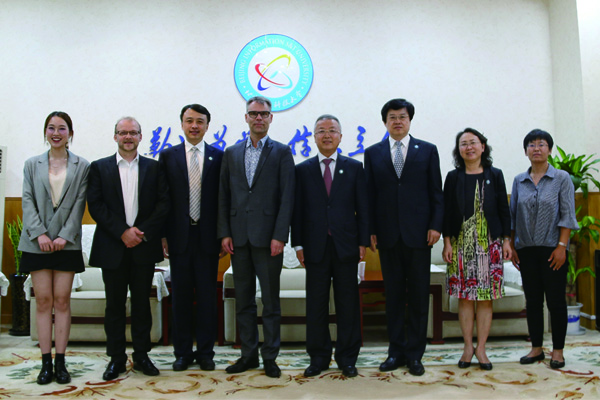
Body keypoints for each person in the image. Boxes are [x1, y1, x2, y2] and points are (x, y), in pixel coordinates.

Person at [364, 98, 443, 376]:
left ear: (410, 120)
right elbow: (369, 195)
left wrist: (435, 226)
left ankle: (415, 355)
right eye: (392, 117)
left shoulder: (428, 150)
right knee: (394, 296)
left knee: (419, 297)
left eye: (402, 116)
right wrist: (370, 229)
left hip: (420, 235)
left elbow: (436, 192)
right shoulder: (373, 153)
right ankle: (395, 351)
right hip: (387, 236)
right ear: (385, 122)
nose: (397, 121)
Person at [217, 96, 295, 378]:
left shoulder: (282, 152)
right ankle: (248, 355)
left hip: (269, 240)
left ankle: (270, 357)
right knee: (244, 301)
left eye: (263, 114)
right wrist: (225, 232)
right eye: (253, 114)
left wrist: (280, 235)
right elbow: (223, 195)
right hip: (238, 239)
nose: (258, 118)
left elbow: (287, 197)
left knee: (270, 302)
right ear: (246, 117)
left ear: (271, 117)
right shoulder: (231, 152)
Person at [87, 117, 169, 380]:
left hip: (143, 246)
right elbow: (96, 205)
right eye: (123, 132)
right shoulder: (99, 167)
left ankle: (142, 356)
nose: (128, 137)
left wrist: (140, 232)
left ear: (140, 137)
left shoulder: (154, 168)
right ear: (115, 137)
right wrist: (123, 231)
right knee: (114, 306)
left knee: (142, 305)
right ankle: (116, 358)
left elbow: (163, 204)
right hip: (112, 247)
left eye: (133, 132)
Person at [291, 115, 369, 378]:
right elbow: (297, 211)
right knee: (316, 304)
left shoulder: (354, 167)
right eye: (321, 131)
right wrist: (298, 244)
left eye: (332, 131)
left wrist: (362, 242)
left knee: (348, 305)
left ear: (340, 136)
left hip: (346, 246)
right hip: (314, 246)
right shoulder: (302, 170)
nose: (327, 135)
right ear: (314, 137)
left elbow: (363, 208)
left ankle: (347, 358)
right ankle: (318, 357)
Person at [19, 111, 90, 385]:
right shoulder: (31, 164)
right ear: (45, 132)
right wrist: (39, 234)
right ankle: (45, 363)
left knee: (62, 301)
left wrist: (64, 236)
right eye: (51, 128)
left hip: (65, 244)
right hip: (36, 243)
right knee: (43, 301)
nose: (56, 133)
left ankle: (61, 362)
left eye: (62, 128)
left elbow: (79, 203)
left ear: (70, 133)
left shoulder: (82, 165)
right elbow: (27, 200)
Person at [158, 104, 223, 371]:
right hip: (179, 237)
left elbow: (223, 199)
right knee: (181, 298)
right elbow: (163, 198)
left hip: (208, 237)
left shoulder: (219, 156)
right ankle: (182, 353)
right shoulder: (168, 156)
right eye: (189, 121)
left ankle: (206, 352)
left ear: (207, 125)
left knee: (207, 297)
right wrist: (163, 234)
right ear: (182, 124)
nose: (194, 125)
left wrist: (223, 234)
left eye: (199, 121)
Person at [441, 128, 512, 370]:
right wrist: (447, 242)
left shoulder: (495, 174)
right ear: (458, 150)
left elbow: (503, 209)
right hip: (460, 244)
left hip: (489, 244)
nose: (469, 147)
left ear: (483, 146)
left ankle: (481, 348)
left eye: (473, 142)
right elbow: (447, 212)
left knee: (485, 297)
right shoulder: (453, 177)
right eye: (463, 144)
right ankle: (467, 347)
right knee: (464, 296)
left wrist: (506, 240)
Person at [510, 129, 578, 369]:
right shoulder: (519, 180)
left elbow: (568, 215)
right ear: (526, 151)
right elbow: (513, 216)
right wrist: (513, 245)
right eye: (531, 145)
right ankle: (536, 348)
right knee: (533, 301)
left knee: (556, 302)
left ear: (549, 149)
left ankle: (558, 351)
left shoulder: (562, 178)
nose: (536, 148)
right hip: (526, 251)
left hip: (553, 250)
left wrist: (562, 247)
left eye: (541, 144)